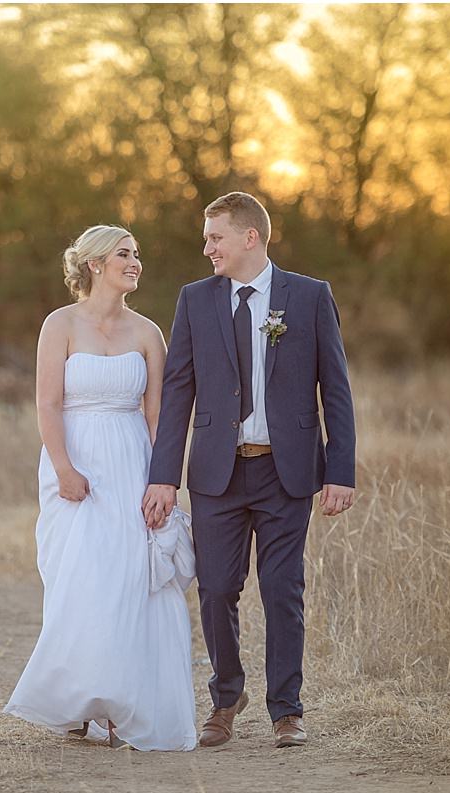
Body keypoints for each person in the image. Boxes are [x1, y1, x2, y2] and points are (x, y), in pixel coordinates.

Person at [142, 192, 356, 749]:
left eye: (215, 237)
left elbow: (335, 388)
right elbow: (178, 392)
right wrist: (163, 475)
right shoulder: (195, 300)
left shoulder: (308, 297)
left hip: (286, 472)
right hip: (217, 473)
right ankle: (226, 695)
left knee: (283, 589)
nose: (207, 247)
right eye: (207, 238)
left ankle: (287, 710)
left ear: (249, 238)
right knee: (215, 588)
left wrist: (341, 470)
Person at [2, 225, 198, 752]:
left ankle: (124, 703)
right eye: (124, 254)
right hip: (76, 461)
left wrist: (164, 480)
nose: (135, 263)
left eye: (137, 254)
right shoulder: (59, 325)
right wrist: (64, 468)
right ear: (94, 264)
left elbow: (159, 414)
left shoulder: (147, 333)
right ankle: (78, 699)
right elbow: (47, 404)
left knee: (133, 577)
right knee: (80, 579)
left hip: (133, 459)